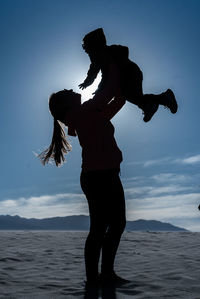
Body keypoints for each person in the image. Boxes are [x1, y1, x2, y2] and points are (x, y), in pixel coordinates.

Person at [39, 85, 128, 286]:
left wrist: (123, 94)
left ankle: (103, 275)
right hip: (100, 176)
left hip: (104, 174)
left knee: (112, 224)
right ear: (67, 104)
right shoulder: (82, 112)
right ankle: (97, 277)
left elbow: (113, 105)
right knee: (104, 226)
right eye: (66, 91)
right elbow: (107, 94)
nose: (71, 88)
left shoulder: (87, 114)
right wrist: (114, 77)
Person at [79, 28, 178, 122]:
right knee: (132, 96)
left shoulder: (109, 53)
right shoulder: (99, 61)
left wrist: (98, 86)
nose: (87, 52)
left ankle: (153, 103)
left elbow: (106, 73)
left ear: (96, 46)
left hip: (131, 73)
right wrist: (88, 83)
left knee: (129, 95)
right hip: (129, 74)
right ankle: (156, 101)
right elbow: (96, 73)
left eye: (87, 49)